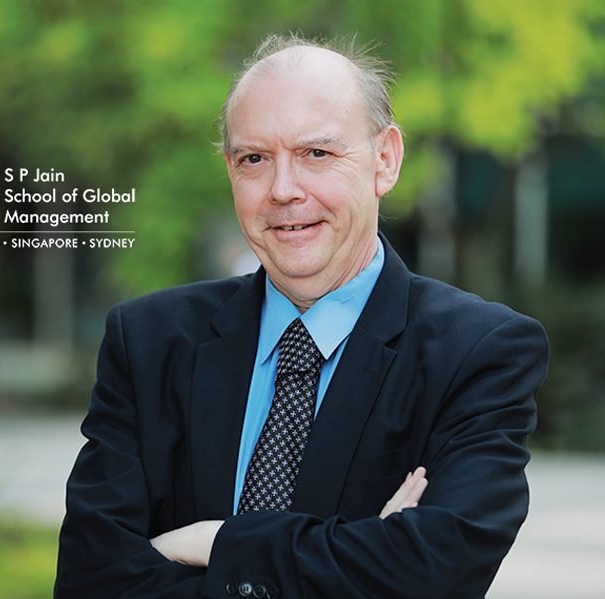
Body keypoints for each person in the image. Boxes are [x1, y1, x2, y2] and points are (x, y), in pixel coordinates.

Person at [54, 33, 548, 599]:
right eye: (255, 159)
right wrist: (362, 555)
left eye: (317, 154)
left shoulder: (477, 352)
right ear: (230, 170)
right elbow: (91, 582)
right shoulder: (148, 343)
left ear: (385, 160)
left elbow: (434, 572)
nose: (283, 190)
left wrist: (217, 543)